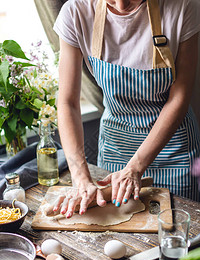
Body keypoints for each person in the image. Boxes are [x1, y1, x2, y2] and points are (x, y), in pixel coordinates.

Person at [52, 0, 200, 218]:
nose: (121, 5)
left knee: (177, 232)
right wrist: (81, 177)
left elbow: (179, 98)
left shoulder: (183, 7)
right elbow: (68, 102)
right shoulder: (76, 12)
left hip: (174, 151)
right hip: (116, 150)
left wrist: (136, 167)